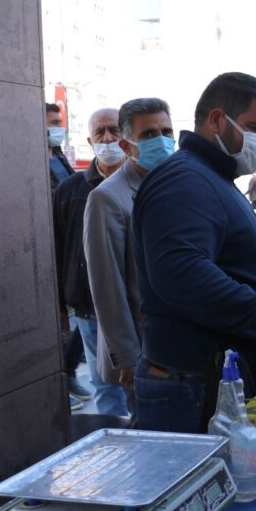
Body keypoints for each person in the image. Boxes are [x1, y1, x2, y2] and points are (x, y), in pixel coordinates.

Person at [133, 72, 256, 434]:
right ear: (216, 120)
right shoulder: (185, 179)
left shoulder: (211, 177)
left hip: (212, 377)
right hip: (192, 384)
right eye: (255, 127)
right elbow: (180, 270)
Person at [84, 98, 175, 420]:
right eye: (149, 134)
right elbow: (107, 286)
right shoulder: (108, 197)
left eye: (167, 131)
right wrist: (127, 357)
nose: (162, 141)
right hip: (145, 351)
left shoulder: (178, 183)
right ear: (126, 144)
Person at [53, 107, 129, 417]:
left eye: (114, 130)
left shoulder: (142, 181)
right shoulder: (72, 189)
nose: (108, 138)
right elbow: (58, 246)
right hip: (89, 309)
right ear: (89, 140)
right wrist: (60, 305)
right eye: (101, 132)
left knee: (140, 383)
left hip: (135, 305)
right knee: (104, 385)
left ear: (126, 137)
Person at [45, 102, 87, 409]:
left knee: (85, 321)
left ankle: (67, 372)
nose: (57, 127)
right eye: (51, 122)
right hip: (53, 247)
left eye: (59, 121)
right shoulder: (34, 160)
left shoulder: (58, 158)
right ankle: (62, 378)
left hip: (72, 243)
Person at [47, 102, 74, 192]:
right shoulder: (34, 164)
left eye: (59, 122)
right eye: (54, 123)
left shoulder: (60, 157)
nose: (59, 127)